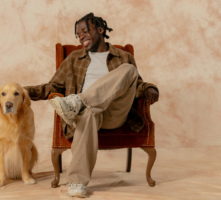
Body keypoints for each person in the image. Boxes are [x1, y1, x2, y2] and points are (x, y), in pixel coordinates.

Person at [24, 13, 159, 198]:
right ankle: (78, 182)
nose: (81, 36)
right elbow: (53, 86)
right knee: (86, 113)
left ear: (100, 30)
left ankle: (78, 102)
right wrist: (23, 92)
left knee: (130, 70)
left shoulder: (123, 56)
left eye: (85, 31)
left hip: (115, 113)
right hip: (88, 116)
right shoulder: (73, 58)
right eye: (78, 34)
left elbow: (136, 84)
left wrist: (151, 88)